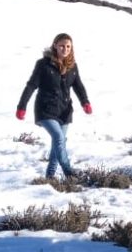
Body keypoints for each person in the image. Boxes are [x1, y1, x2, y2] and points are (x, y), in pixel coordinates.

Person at [16, 33, 92, 179]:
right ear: (55, 45)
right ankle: (69, 172)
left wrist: (85, 102)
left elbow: (78, 86)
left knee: (57, 144)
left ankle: (49, 176)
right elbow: (31, 85)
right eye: (62, 46)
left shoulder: (73, 66)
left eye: (68, 46)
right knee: (58, 138)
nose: (65, 49)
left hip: (64, 111)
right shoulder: (43, 64)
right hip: (46, 109)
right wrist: (22, 106)